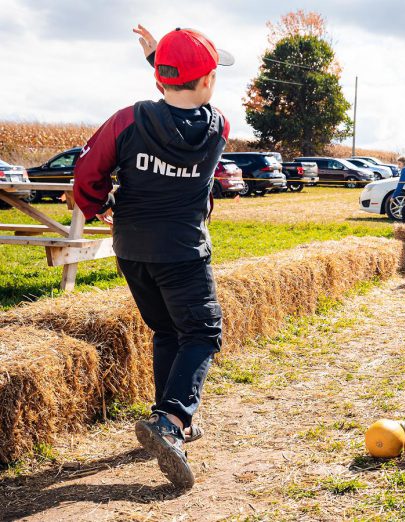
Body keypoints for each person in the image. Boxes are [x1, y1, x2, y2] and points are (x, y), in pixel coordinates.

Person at [73, 26, 234, 489]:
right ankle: (172, 420)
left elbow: (88, 170)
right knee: (202, 332)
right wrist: (162, 65)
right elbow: (187, 102)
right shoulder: (217, 125)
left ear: (159, 80)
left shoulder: (127, 120)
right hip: (183, 250)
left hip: (133, 249)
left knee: (166, 329)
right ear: (207, 82)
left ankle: (164, 413)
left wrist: (96, 205)